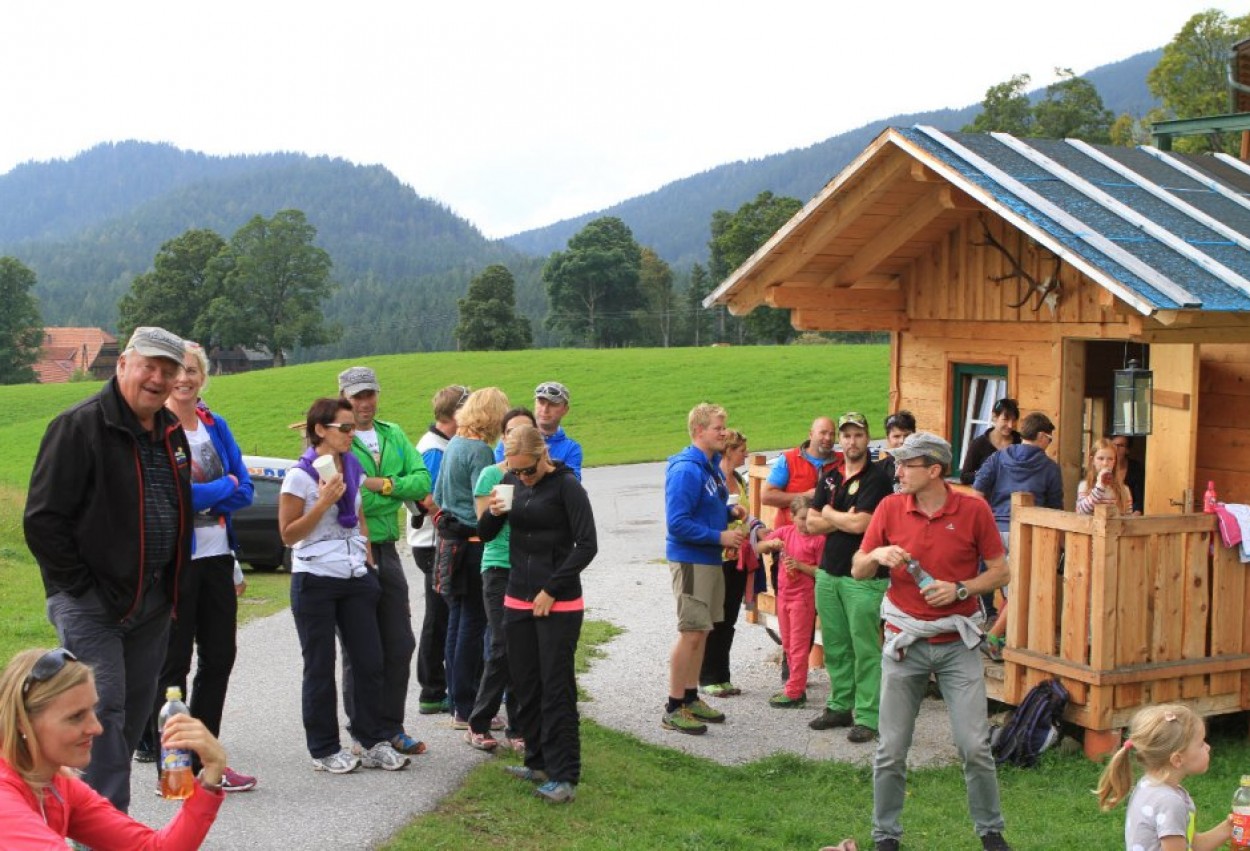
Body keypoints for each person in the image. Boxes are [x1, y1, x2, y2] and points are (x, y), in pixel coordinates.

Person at [23, 325, 193, 812]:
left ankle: (94, 819)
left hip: (152, 602)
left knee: (133, 715)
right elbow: (43, 520)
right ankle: (106, 832)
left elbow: (178, 509)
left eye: (168, 371)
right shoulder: (78, 426)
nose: (157, 379)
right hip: (94, 605)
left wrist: (169, 591)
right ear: (123, 365)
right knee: (102, 714)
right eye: (148, 367)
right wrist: (82, 589)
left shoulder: (171, 432)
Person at [851, 432, 1011, 851]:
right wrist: (877, 555)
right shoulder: (889, 507)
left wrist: (961, 589)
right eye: (898, 464)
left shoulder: (973, 511)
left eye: (908, 464)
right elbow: (857, 569)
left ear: (935, 470)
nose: (898, 471)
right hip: (905, 643)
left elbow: (1001, 572)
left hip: (958, 644)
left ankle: (991, 833)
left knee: (974, 746)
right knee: (891, 748)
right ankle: (885, 836)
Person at [143, 341, 256, 792]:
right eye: (179, 371)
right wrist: (220, 487)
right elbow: (176, 496)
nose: (185, 379)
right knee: (173, 664)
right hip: (178, 562)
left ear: (202, 377)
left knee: (220, 657)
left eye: (193, 371)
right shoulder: (158, 429)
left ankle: (207, 759)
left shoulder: (214, 424)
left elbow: (246, 489)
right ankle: (172, 768)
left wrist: (210, 493)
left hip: (217, 557)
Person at [278, 398, 409, 774]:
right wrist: (322, 503)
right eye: (346, 428)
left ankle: (371, 740)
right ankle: (324, 748)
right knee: (320, 666)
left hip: (355, 577)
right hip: (315, 579)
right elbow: (288, 535)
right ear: (321, 430)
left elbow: (360, 515)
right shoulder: (299, 476)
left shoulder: (351, 466)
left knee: (369, 661)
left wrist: (368, 561)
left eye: (354, 427)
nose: (353, 434)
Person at [0, 647, 225, 849]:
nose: (96, 728)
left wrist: (210, 776)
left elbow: (152, 847)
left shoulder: (55, 782)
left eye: (93, 710)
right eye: (76, 717)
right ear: (22, 721)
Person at [479, 424, 597, 804]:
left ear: (542, 455)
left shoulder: (567, 487)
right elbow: (486, 534)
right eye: (515, 471)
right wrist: (493, 512)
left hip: (558, 602)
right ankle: (537, 762)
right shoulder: (511, 482)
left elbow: (587, 545)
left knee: (555, 687)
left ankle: (564, 776)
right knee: (525, 685)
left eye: (528, 470)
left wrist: (552, 589)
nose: (523, 477)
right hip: (517, 597)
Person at [337, 366, 432, 756]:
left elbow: (423, 481)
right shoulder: (338, 438)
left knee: (400, 642)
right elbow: (349, 498)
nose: (365, 403)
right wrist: (391, 494)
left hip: (388, 549)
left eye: (370, 394)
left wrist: (384, 485)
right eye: (357, 396)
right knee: (359, 648)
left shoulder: (392, 433)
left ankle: (392, 727)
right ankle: (363, 731)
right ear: (344, 397)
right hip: (353, 549)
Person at [806, 412, 893, 743]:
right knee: (836, 645)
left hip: (864, 577)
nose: (851, 441)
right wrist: (839, 517)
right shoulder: (830, 476)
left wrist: (829, 513)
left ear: (867, 438)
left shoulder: (877, 479)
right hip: (829, 572)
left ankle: (868, 716)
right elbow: (810, 523)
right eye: (846, 435)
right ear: (840, 440)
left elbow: (862, 525)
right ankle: (840, 705)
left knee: (865, 647)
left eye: (857, 435)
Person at [662, 403, 746, 735]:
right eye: (718, 428)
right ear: (699, 431)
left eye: (724, 427)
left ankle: (691, 696)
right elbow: (677, 523)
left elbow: (703, 509)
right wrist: (719, 536)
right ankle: (673, 706)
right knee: (691, 632)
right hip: (691, 560)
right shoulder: (686, 470)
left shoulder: (709, 466)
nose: (724, 433)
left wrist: (728, 514)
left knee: (703, 630)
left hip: (709, 559)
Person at [433, 387, 511, 728]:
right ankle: (468, 706)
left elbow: (438, 494)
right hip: (474, 542)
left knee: (456, 622)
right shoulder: (480, 450)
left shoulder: (453, 444)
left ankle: (457, 702)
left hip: (450, 544)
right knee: (473, 625)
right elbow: (488, 500)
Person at [464, 407, 537, 752]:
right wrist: (496, 511)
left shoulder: (541, 477)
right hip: (498, 567)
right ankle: (478, 722)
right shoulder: (491, 475)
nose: (516, 438)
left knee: (526, 648)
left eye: (524, 431)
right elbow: (483, 530)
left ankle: (519, 727)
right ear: (503, 438)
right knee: (502, 644)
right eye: (510, 432)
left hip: (531, 569)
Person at [972, 412, 1064, 659]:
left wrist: (985, 524)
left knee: (1008, 589)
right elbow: (1055, 509)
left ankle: (1004, 640)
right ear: (1042, 436)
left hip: (994, 532)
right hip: (1027, 534)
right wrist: (1059, 544)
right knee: (1022, 589)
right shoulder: (1049, 468)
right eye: (1050, 439)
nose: (1049, 444)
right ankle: (993, 638)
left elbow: (977, 493)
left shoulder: (997, 458)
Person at [407, 385, 469, 716]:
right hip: (433, 542)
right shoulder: (434, 449)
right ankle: (432, 690)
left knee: (442, 614)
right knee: (440, 616)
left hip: (438, 541)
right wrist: (457, 521)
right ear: (455, 413)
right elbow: (428, 498)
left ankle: (436, 688)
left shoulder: (445, 444)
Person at [1096, 704, 1232, 851]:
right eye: (1201, 744)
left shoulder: (1149, 785)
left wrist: (1228, 828)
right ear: (1177, 760)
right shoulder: (1170, 803)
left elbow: (1192, 844)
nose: (1208, 747)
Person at [698, 428, 757, 698]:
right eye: (742, 450)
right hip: (717, 558)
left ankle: (722, 676)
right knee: (713, 618)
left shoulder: (739, 479)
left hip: (738, 559)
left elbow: (747, 516)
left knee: (729, 618)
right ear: (729, 451)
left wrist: (757, 530)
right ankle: (707, 676)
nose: (746, 454)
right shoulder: (714, 480)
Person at [754, 495, 823, 708]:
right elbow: (757, 548)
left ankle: (795, 691)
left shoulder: (819, 539)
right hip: (784, 595)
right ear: (792, 517)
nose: (806, 523)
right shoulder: (786, 533)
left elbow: (823, 572)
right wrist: (769, 543)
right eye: (802, 518)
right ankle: (794, 686)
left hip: (803, 598)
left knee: (799, 645)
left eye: (810, 518)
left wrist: (801, 566)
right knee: (788, 644)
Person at [494, 381, 583, 479]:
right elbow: (497, 474)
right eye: (541, 403)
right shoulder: (512, 438)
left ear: (565, 409)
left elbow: (572, 483)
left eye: (552, 404)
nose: (545, 409)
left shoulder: (571, 449)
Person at [959, 398, 1020, 485]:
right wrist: (987, 475)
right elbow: (964, 476)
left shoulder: (1021, 441)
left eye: (1013, 420)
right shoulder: (979, 444)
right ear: (994, 417)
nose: (1010, 425)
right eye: (1005, 420)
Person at [1077, 438, 1134, 515]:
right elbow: (1082, 511)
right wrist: (1100, 487)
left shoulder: (1124, 490)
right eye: (1100, 458)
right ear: (1092, 460)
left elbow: (1128, 517)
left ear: (1115, 462)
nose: (1105, 463)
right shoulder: (1085, 486)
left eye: (1110, 459)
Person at [878, 411, 917, 488]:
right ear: (888, 439)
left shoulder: (925, 466)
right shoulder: (878, 469)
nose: (902, 441)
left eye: (907, 435)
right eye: (896, 436)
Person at [1111, 435, 1147, 514]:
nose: (1116, 449)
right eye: (1113, 445)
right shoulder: (1104, 467)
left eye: (1120, 446)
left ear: (1127, 450)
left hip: (1130, 514)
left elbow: (1139, 500)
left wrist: (1135, 515)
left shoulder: (1136, 468)